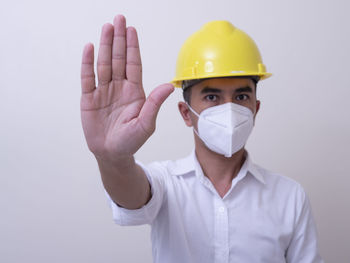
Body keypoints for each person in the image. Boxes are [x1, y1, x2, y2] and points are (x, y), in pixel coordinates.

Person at [80, 14, 323, 263]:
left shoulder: (290, 196)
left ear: (255, 109)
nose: (229, 108)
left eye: (241, 97)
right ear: (187, 113)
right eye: (212, 97)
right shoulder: (166, 184)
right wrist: (113, 158)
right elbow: (132, 195)